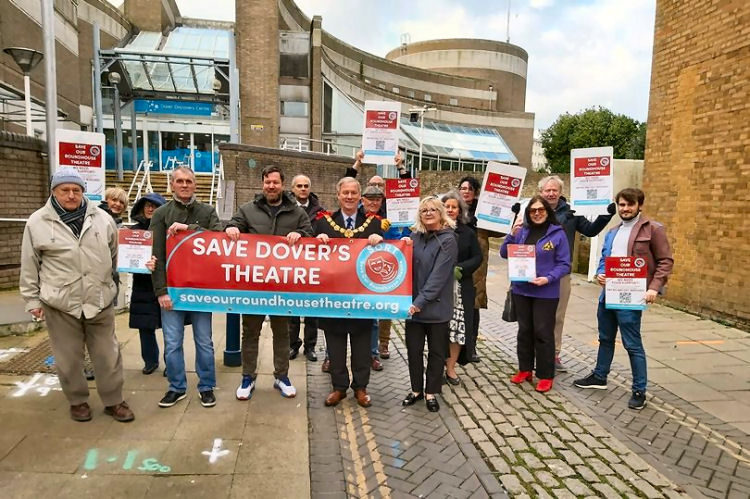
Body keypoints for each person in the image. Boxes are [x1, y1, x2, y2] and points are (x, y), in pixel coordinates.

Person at [19, 168, 134, 422]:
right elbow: (30, 263)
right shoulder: (37, 222)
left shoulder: (102, 219)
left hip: (99, 299)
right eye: (65, 190)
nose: (71, 195)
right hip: (60, 302)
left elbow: (115, 255)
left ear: (83, 191)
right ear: (54, 192)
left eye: (76, 190)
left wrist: (117, 281)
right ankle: (78, 401)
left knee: (108, 355)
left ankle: (114, 400)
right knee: (68, 358)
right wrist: (32, 299)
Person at [574, 188, 673, 410]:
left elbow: (666, 261)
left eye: (629, 205)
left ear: (639, 205)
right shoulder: (613, 231)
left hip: (632, 296)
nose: (625, 209)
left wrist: (654, 288)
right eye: (621, 205)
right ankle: (600, 377)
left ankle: (639, 390)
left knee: (632, 344)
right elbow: (605, 258)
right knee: (605, 338)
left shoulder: (653, 229)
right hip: (608, 294)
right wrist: (601, 273)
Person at [225, 166, 313, 400]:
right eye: (267, 182)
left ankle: (281, 376)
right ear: (262, 183)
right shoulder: (247, 210)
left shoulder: (296, 212)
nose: (271, 186)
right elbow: (232, 225)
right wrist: (231, 228)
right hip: (253, 285)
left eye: (275, 182)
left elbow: (310, 235)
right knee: (250, 332)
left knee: (282, 332)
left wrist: (301, 235)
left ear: (282, 184)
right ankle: (247, 377)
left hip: (282, 285)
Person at [151, 166, 222, 409]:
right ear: (172, 185)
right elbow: (155, 254)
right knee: (172, 343)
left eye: (189, 181)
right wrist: (160, 291)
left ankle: (206, 386)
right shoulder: (161, 214)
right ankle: (176, 386)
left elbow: (218, 239)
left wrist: (189, 229)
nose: (184, 185)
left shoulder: (207, 211)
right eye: (179, 181)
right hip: (173, 290)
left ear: (195, 185)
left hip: (201, 291)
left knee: (204, 342)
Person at [314, 177, 383, 408]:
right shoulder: (324, 223)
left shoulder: (374, 223)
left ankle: (361, 388)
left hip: (361, 297)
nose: (350, 197)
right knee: (335, 346)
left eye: (354, 193)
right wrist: (316, 240)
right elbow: (309, 252)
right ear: (338, 194)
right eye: (346, 193)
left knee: (362, 347)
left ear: (360, 196)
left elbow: (387, 254)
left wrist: (380, 241)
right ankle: (339, 388)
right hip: (333, 297)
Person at [538, 175, 615, 372]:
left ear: (561, 192)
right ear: (541, 192)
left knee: (557, 315)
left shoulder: (572, 212)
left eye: (555, 190)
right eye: (547, 190)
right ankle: (534, 353)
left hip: (561, 270)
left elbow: (590, 230)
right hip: (537, 270)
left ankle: (553, 355)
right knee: (535, 315)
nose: (551, 193)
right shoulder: (535, 211)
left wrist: (606, 214)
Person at [500, 195, 570, 393]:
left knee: (543, 333)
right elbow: (505, 253)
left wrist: (548, 278)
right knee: (524, 331)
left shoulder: (558, 234)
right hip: (522, 289)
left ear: (547, 212)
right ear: (528, 213)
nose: (537, 213)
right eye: (533, 210)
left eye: (541, 210)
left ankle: (546, 374)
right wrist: (511, 235)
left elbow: (565, 264)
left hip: (546, 291)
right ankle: (525, 369)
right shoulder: (522, 231)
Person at [402, 197, 458, 412]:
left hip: (435, 308)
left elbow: (439, 276)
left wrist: (419, 302)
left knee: (436, 352)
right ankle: (416, 389)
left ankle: (431, 392)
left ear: (441, 213)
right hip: (413, 308)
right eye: (424, 210)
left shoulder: (448, 239)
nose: (428, 213)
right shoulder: (413, 237)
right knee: (413, 351)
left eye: (433, 209)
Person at [458, 176, 500, 363]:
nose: (465, 191)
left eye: (469, 189)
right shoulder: (452, 207)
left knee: (473, 306)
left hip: (477, 265)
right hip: (457, 261)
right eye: (463, 188)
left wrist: (510, 215)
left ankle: (471, 346)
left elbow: (500, 230)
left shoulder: (483, 212)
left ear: (475, 192)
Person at [441, 191, 481, 384]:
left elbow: (477, 257)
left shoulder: (468, 232)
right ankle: (436, 366)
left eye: (454, 207)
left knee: (457, 330)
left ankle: (450, 368)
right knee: (439, 330)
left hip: (460, 286)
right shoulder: (435, 229)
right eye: (447, 206)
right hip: (439, 287)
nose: (450, 210)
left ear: (460, 210)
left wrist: (461, 268)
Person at [128, 192, 166, 375]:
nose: (150, 208)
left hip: (165, 283)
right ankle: (150, 361)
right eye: (147, 205)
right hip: (143, 284)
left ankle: (172, 363)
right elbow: (126, 260)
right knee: (145, 327)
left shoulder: (169, 231)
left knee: (170, 328)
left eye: (155, 205)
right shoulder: (132, 232)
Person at [288, 174, 324, 362]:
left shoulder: (320, 210)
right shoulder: (285, 208)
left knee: (312, 310)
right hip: (291, 265)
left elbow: (326, 229)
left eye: (306, 186)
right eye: (299, 186)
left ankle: (310, 347)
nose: (303, 189)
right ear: (292, 188)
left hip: (312, 265)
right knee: (292, 310)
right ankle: (293, 345)